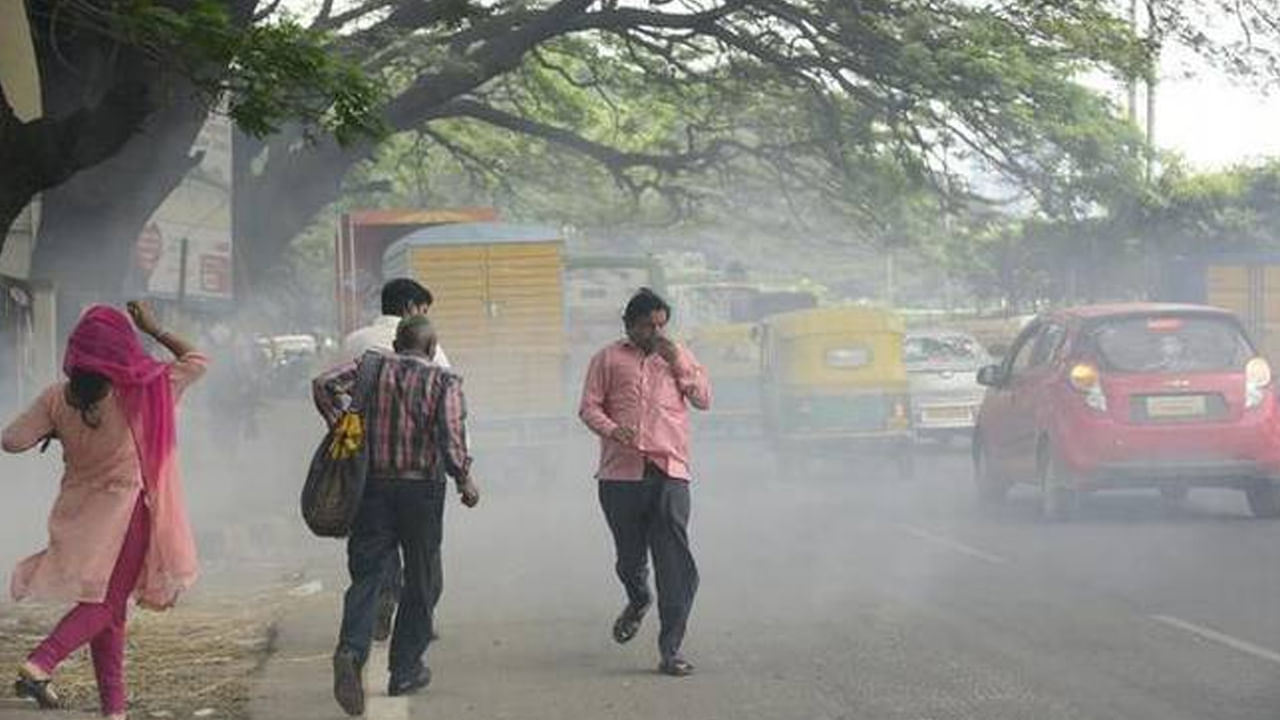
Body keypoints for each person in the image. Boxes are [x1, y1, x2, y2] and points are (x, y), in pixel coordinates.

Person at [3, 302, 207, 720]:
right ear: (124, 347)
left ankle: (114, 711)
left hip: (77, 516)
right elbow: (197, 361)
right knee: (110, 605)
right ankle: (41, 662)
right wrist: (154, 327)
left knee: (110, 613)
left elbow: (11, 440)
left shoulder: (57, 397)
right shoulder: (145, 389)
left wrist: (54, 429)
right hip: (126, 515)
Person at [313, 315, 479, 717]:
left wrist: (343, 424)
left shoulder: (372, 367)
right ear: (431, 347)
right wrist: (464, 479)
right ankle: (405, 670)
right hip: (421, 491)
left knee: (367, 575)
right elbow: (451, 435)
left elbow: (323, 384)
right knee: (421, 579)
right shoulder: (443, 380)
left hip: (371, 488)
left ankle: (351, 652)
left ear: (396, 344)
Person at [578, 288, 712, 677]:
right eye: (647, 326)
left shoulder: (678, 355)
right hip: (620, 476)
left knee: (675, 565)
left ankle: (671, 649)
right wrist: (611, 429)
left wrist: (678, 362)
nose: (655, 333)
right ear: (629, 325)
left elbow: (704, 399)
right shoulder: (607, 359)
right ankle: (638, 598)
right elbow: (588, 407)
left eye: (661, 325)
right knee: (630, 560)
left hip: (670, 472)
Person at [343, 278, 452, 643]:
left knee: (374, 551)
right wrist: (461, 470)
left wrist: (346, 428)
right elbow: (450, 412)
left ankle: (376, 609)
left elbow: (330, 389)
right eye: (422, 310)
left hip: (367, 469)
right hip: (420, 476)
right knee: (423, 558)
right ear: (409, 309)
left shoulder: (355, 344)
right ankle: (416, 632)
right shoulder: (430, 350)